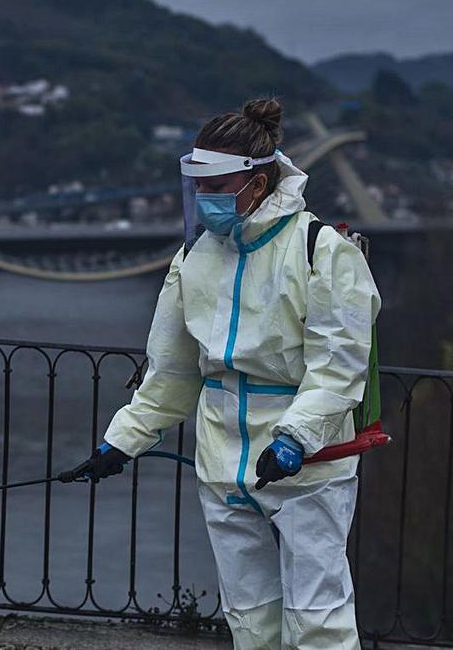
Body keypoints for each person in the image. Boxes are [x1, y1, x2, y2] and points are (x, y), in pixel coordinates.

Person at [61, 98, 379, 649]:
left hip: (305, 467)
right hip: (223, 463)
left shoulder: (320, 251)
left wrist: (294, 439)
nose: (204, 199)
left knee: (318, 616)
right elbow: (173, 370)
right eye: (199, 187)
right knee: (250, 616)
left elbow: (338, 367)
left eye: (216, 186)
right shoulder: (196, 257)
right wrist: (123, 441)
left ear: (257, 184)